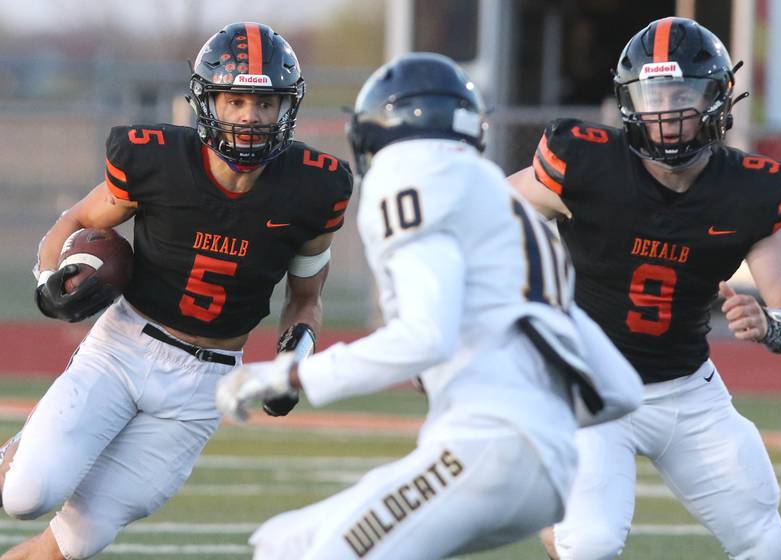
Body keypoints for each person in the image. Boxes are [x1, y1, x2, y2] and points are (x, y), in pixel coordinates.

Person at [215, 52, 643, 560]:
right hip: (550, 472)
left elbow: (424, 337)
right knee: (284, 543)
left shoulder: (409, 174)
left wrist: (287, 376)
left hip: (486, 446)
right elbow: (620, 390)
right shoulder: (507, 206)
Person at [0, 21, 353, 560]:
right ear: (207, 101)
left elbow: (305, 298)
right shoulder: (157, 159)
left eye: (265, 103)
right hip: (123, 348)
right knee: (26, 496)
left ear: (288, 108)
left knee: (74, 545)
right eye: (235, 100)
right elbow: (73, 220)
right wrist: (49, 280)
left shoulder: (315, 187)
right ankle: (15, 454)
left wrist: (293, 361)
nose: (250, 117)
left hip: (204, 385)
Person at [508, 16, 781, 560]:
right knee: (590, 544)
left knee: (769, 546)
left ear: (718, 100)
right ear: (629, 101)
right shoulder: (586, 161)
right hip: (590, 387)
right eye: (654, 94)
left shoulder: (752, 190)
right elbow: (486, 212)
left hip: (689, 390)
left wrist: (772, 323)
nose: (668, 112)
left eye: (684, 93)